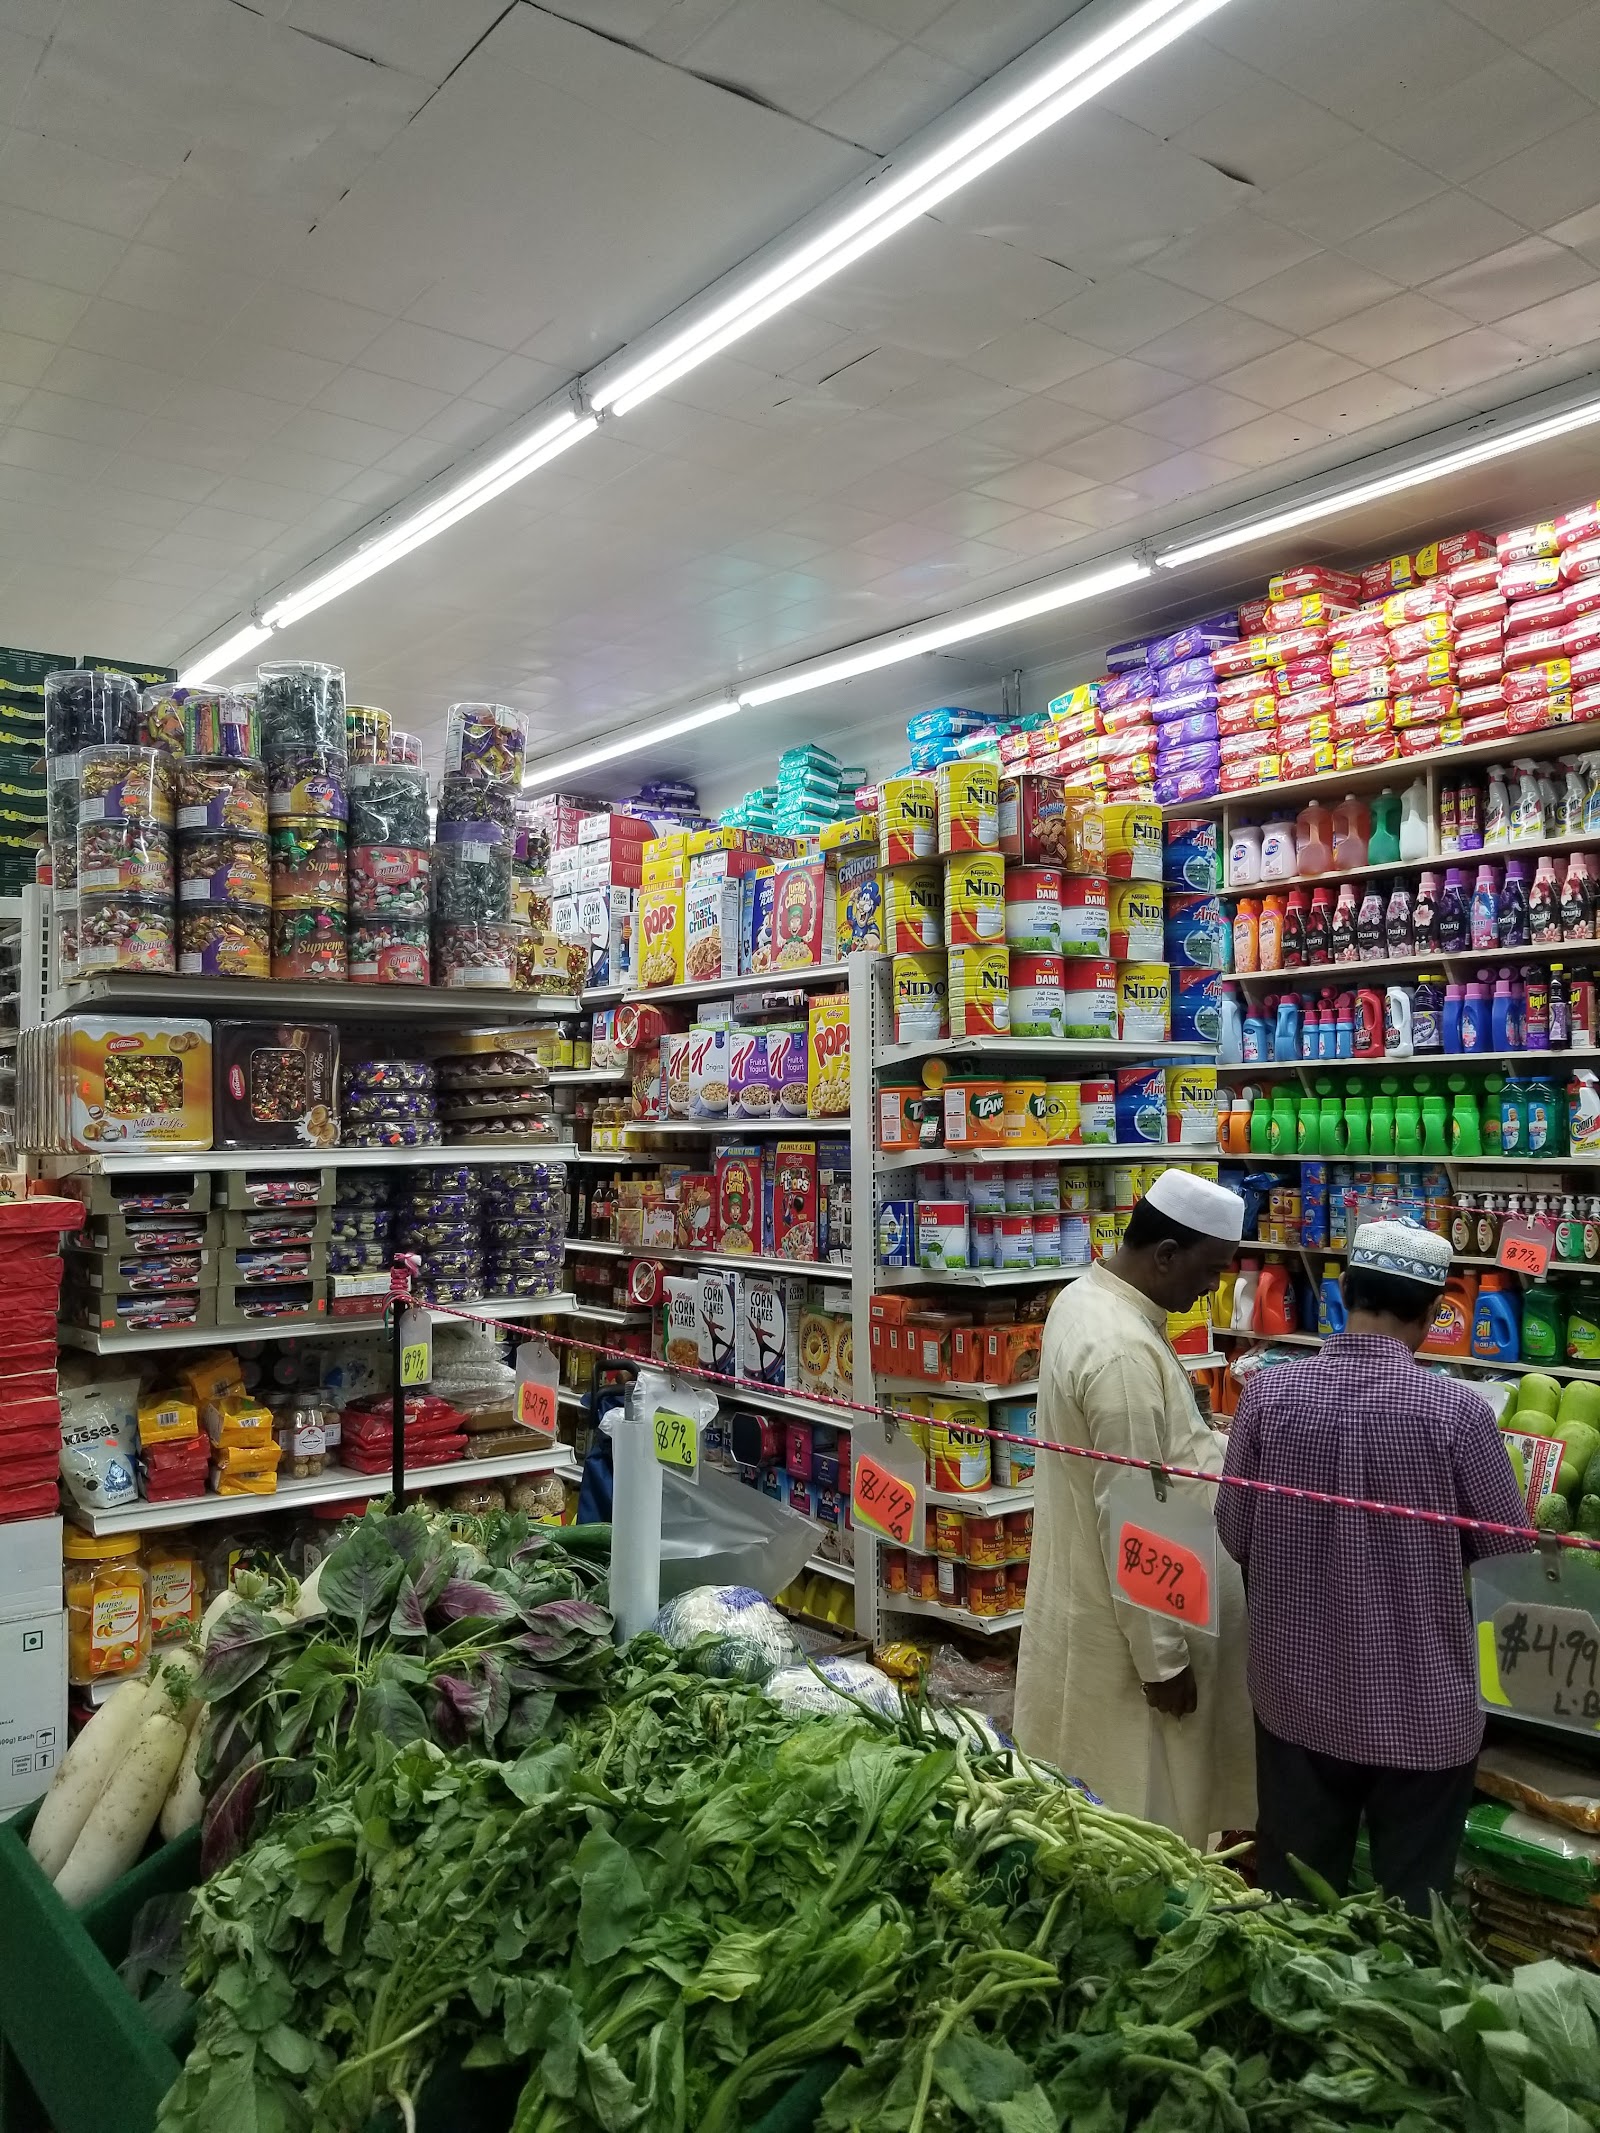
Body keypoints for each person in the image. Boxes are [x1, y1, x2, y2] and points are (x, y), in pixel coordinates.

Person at [1217, 1220, 1528, 1915]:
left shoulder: (1268, 1397)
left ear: (1345, 1294)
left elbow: (1235, 1533)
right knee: (1412, 1918)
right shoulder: (1457, 1414)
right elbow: (1510, 1560)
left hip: (1294, 1697)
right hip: (1425, 1708)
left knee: (1293, 1909)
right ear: (1430, 1312)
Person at [1014, 1168, 1255, 1847]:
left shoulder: (1087, 1300)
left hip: (1096, 1608)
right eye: (1209, 1271)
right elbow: (1133, 1521)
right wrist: (1163, 1661)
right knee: (1142, 1825)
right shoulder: (1120, 1350)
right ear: (1166, 1254)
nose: (1210, 1288)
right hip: (1133, 1641)